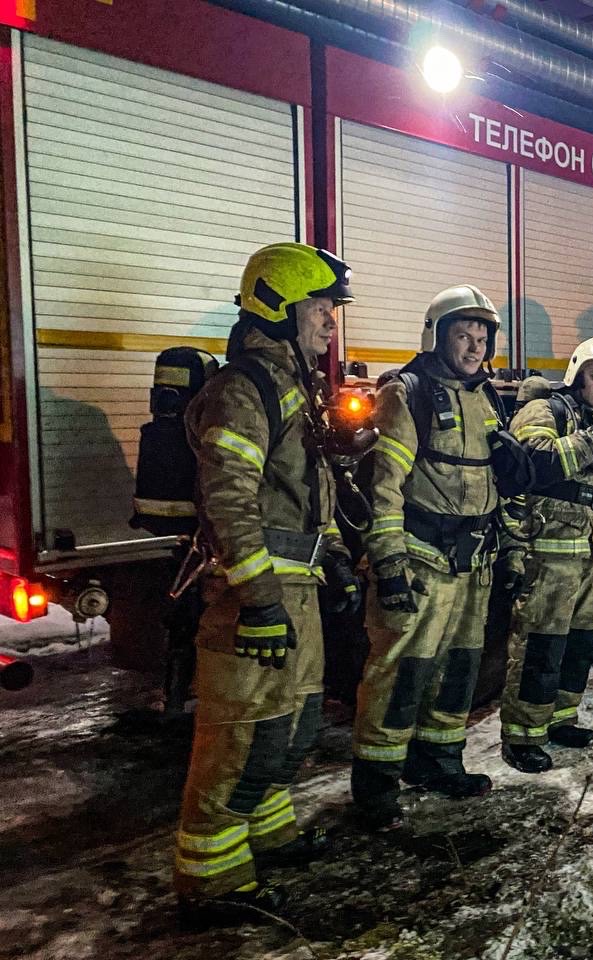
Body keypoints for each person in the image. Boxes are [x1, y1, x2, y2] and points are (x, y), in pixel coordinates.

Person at [174, 243, 359, 918]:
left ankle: (267, 832)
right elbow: (229, 500)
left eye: (331, 311)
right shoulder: (242, 390)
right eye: (320, 310)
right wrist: (256, 602)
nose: (329, 324)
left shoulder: (293, 387)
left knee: (293, 721)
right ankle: (210, 882)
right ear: (279, 307)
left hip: (296, 594)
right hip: (252, 601)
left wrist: (334, 553)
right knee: (240, 734)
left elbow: (312, 490)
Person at [350, 284, 507, 830]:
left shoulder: (487, 396)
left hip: (473, 561)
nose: (473, 347)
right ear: (436, 337)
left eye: (481, 338)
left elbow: (494, 480)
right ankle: (376, 783)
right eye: (463, 336)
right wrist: (388, 561)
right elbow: (385, 485)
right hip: (419, 559)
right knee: (401, 671)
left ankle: (438, 761)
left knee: (459, 668)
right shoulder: (406, 391)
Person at [499, 334, 593, 773]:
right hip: (550, 552)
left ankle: (561, 719)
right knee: (540, 643)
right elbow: (535, 461)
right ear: (577, 375)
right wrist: (592, 442)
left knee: (579, 646)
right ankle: (522, 735)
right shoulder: (546, 410)